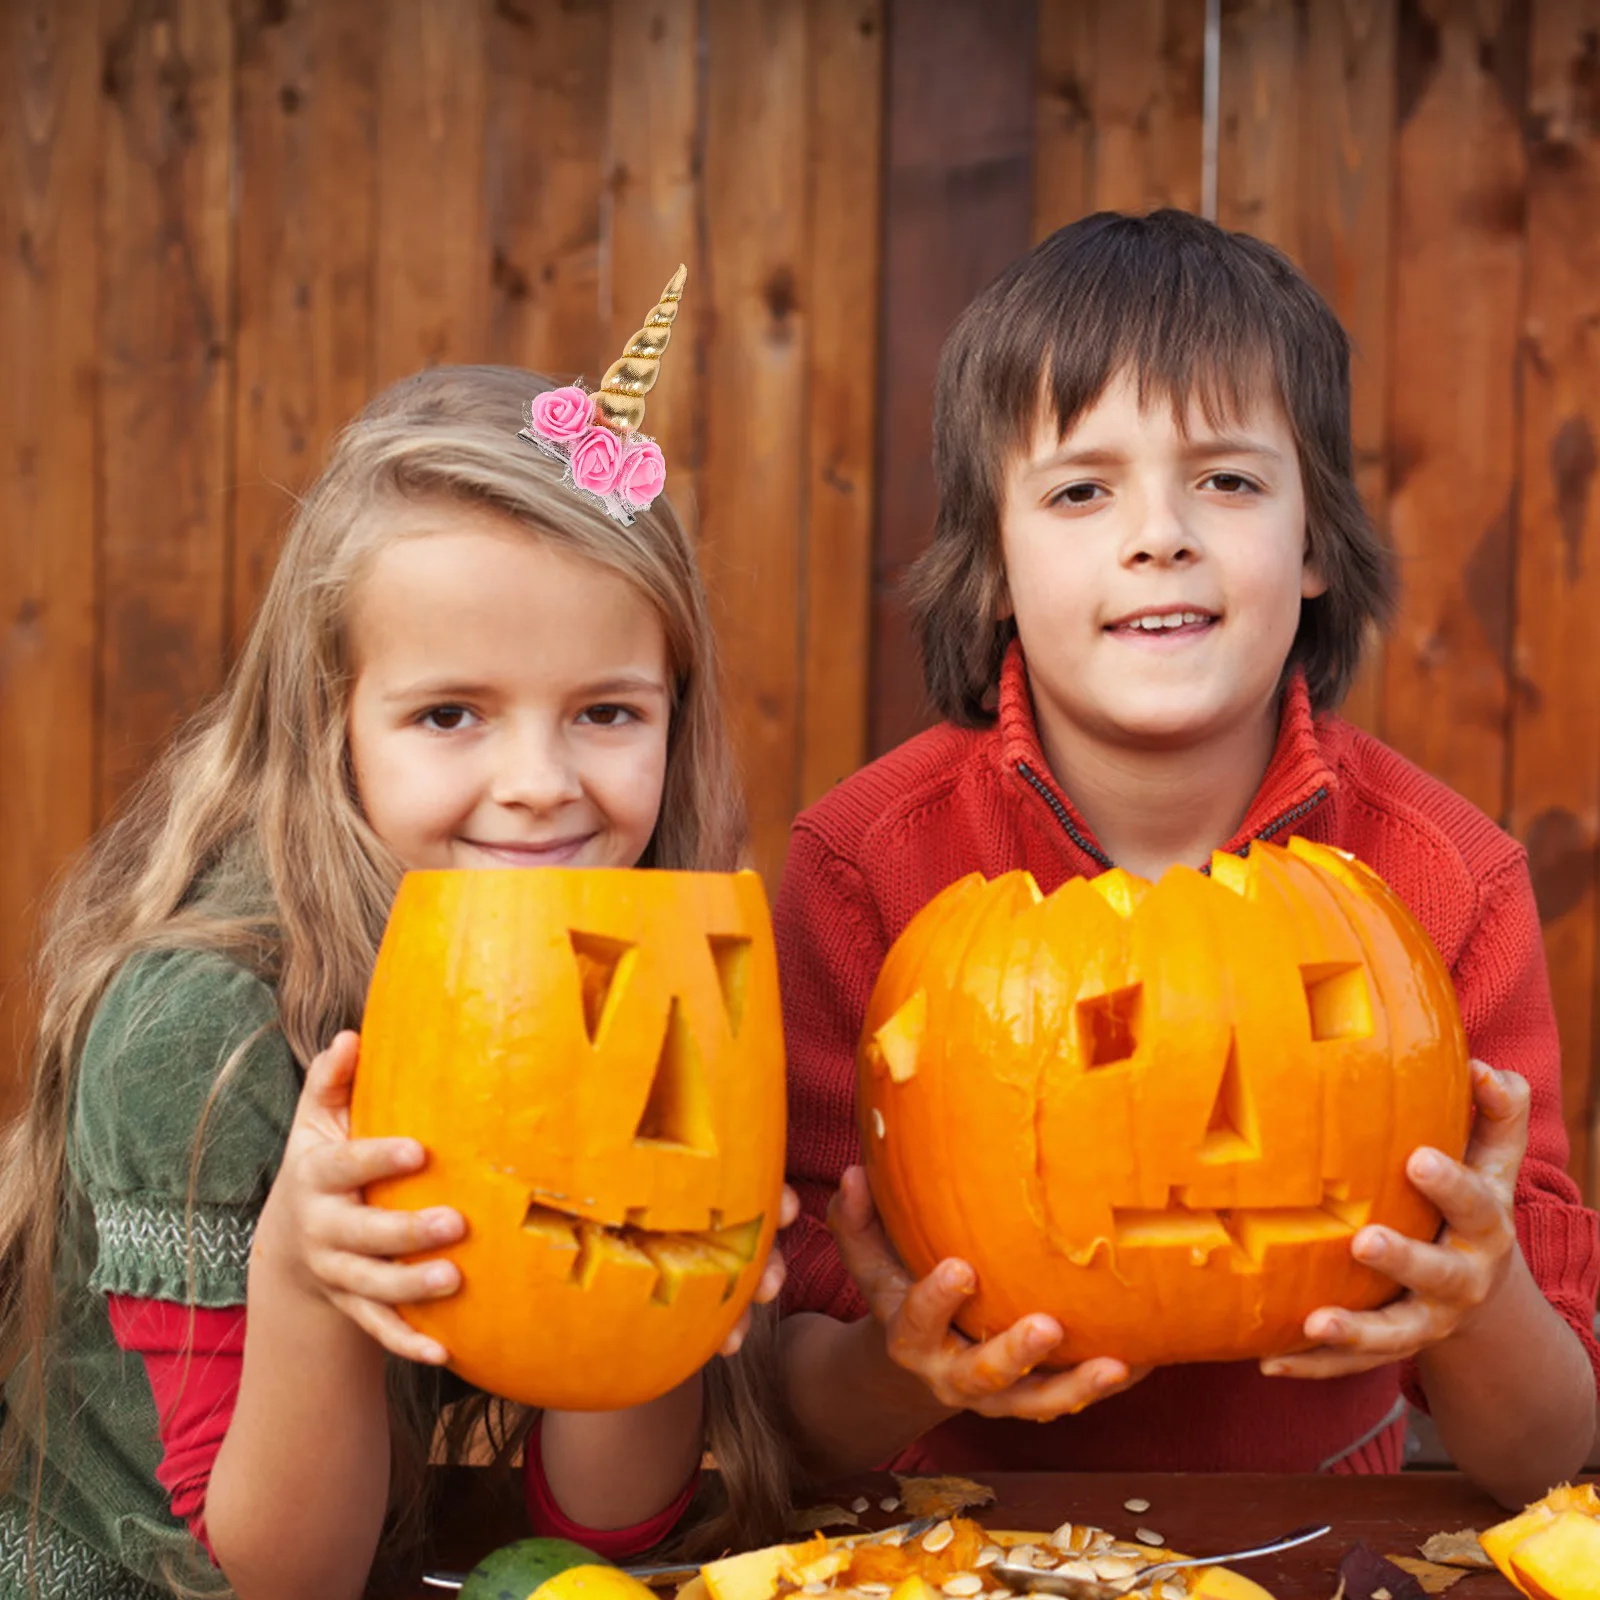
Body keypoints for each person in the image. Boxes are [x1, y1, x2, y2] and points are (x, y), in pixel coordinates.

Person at [774, 209, 1600, 1509]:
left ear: (1318, 544)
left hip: (1325, 1547)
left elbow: (1547, 1456)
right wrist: (910, 1368)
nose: (1159, 534)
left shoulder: (1449, 885)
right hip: (951, 1546)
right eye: (1081, 489)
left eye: (1227, 479)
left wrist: (1477, 1295)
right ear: (991, 563)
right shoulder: (862, 867)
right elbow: (794, 1403)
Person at [0, 345, 795, 1600]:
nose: (538, 782)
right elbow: (279, 1583)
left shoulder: (645, 988)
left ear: (674, 716)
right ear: (333, 727)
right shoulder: (199, 1033)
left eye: (606, 712)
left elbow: (601, 1524)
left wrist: (660, 1292)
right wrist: (306, 1285)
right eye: (449, 715)